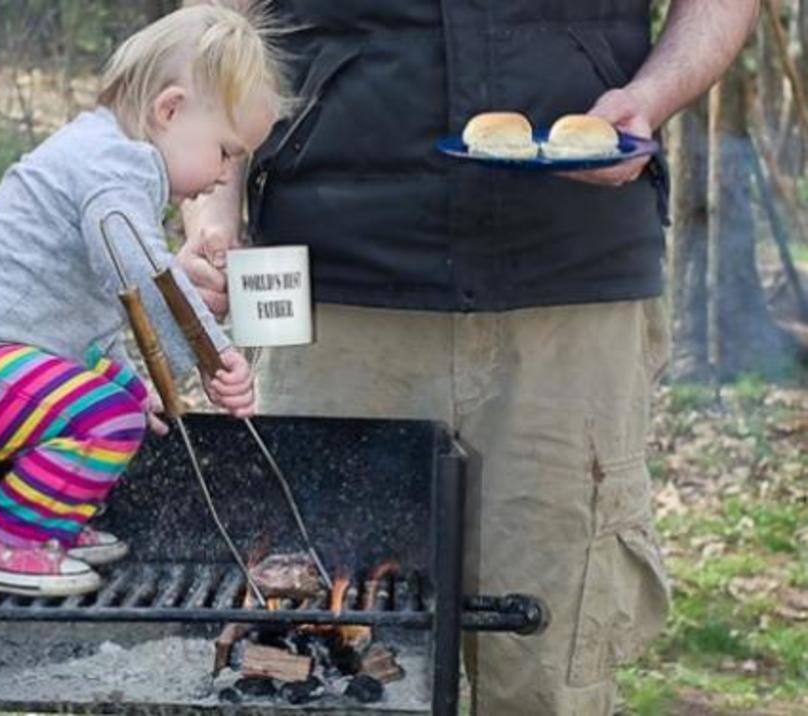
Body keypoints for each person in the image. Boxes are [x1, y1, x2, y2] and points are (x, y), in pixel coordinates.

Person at [179, 1, 759, 713]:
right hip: (332, 285)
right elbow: (215, 14)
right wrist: (210, 213)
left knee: (544, 671)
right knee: (319, 661)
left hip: (571, 286)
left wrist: (649, 97)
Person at [0, 4, 288, 597]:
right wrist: (217, 356)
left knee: (124, 395)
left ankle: (53, 517)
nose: (227, 176)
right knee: (109, 417)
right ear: (169, 110)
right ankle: (0, 539)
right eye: (226, 151)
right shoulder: (115, 168)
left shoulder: (110, 154)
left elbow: (93, 312)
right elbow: (148, 276)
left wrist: (136, 372)